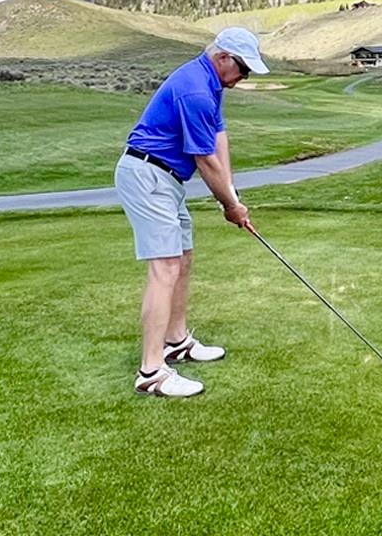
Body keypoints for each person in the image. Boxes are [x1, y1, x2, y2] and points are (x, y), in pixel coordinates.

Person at [114, 26, 269, 397]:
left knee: (183, 258)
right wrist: (231, 206)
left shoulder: (211, 82)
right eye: (243, 70)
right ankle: (151, 371)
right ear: (223, 58)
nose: (242, 79)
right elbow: (205, 161)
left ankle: (176, 340)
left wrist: (231, 196)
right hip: (147, 174)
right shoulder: (196, 89)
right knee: (165, 266)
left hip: (167, 179)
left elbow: (219, 140)